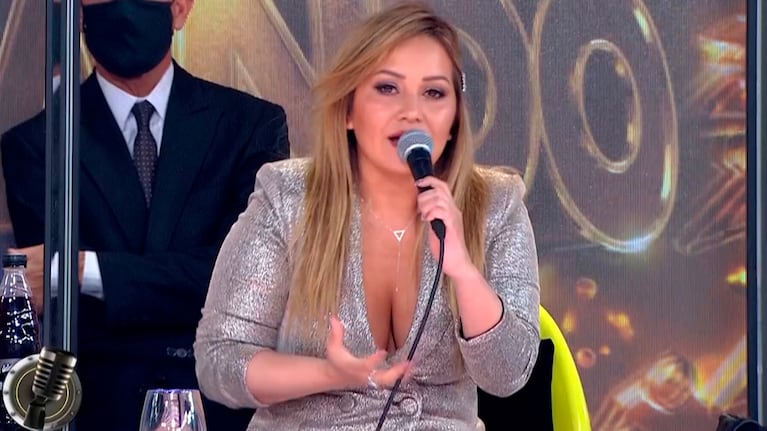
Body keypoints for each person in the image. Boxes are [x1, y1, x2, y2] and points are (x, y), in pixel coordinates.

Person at [195, 2, 540, 429]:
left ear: (454, 120)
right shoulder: (288, 197)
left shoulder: (496, 204)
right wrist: (330, 374)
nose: (412, 111)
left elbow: (509, 375)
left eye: (434, 93)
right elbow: (220, 360)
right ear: (348, 110)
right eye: (388, 88)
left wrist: (464, 271)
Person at [0, 0, 289, 430]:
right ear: (78, 15)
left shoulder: (251, 125)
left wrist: (84, 270)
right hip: (96, 408)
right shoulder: (36, 145)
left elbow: (243, 278)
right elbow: (58, 303)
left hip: (224, 407)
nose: (124, 8)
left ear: (180, 9)